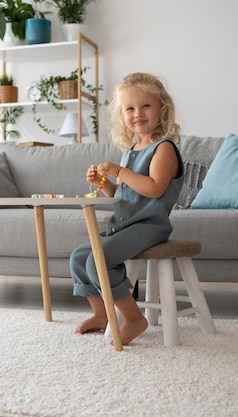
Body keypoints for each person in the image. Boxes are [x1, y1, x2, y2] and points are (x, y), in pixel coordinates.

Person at [70, 72, 184, 345]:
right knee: (79, 257)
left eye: (146, 106)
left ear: (162, 110)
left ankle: (134, 318)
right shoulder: (130, 150)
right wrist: (104, 183)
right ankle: (102, 314)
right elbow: (123, 194)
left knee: (99, 259)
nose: (138, 113)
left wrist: (120, 170)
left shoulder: (163, 149)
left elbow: (155, 188)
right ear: (122, 115)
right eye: (130, 108)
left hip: (149, 227)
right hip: (123, 224)